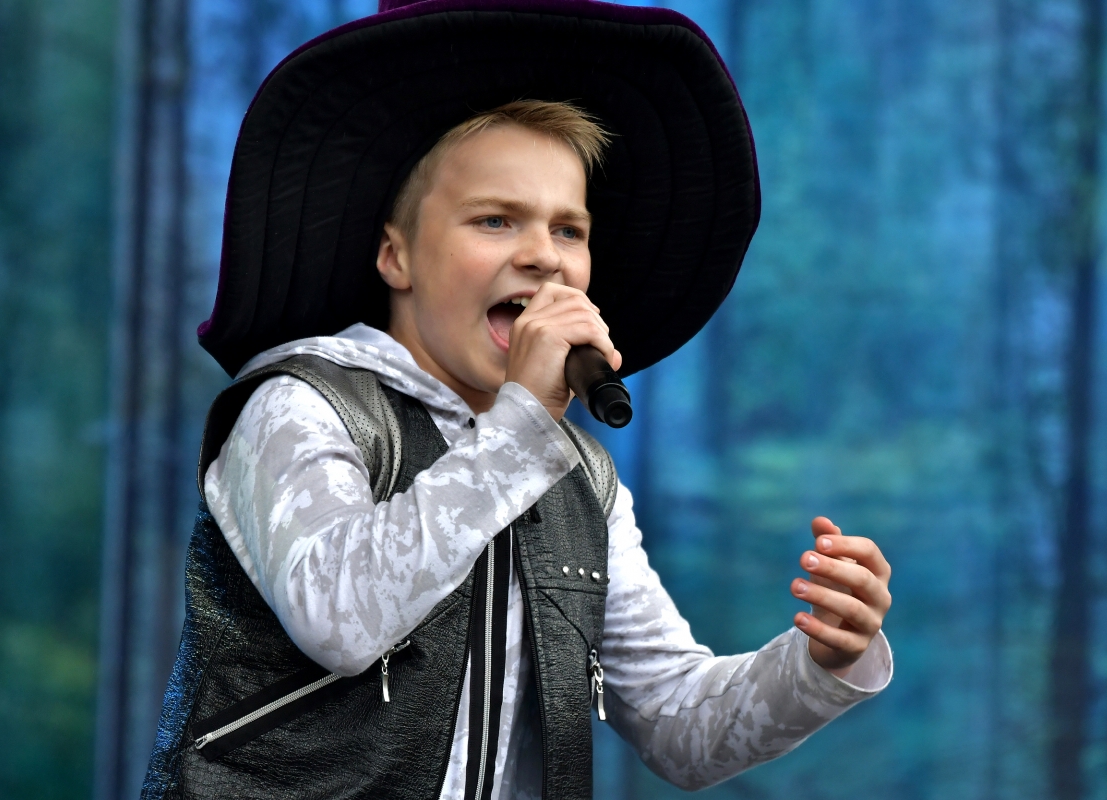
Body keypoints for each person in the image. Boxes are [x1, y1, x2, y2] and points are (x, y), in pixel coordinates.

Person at [142, 1, 893, 798]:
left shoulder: (577, 478)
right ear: (396, 255)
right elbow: (339, 618)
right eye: (496, 220)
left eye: (569, 231)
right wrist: (524, 428)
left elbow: (679, 725)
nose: (543, 257)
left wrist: (820, 661)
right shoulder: (301, 406)